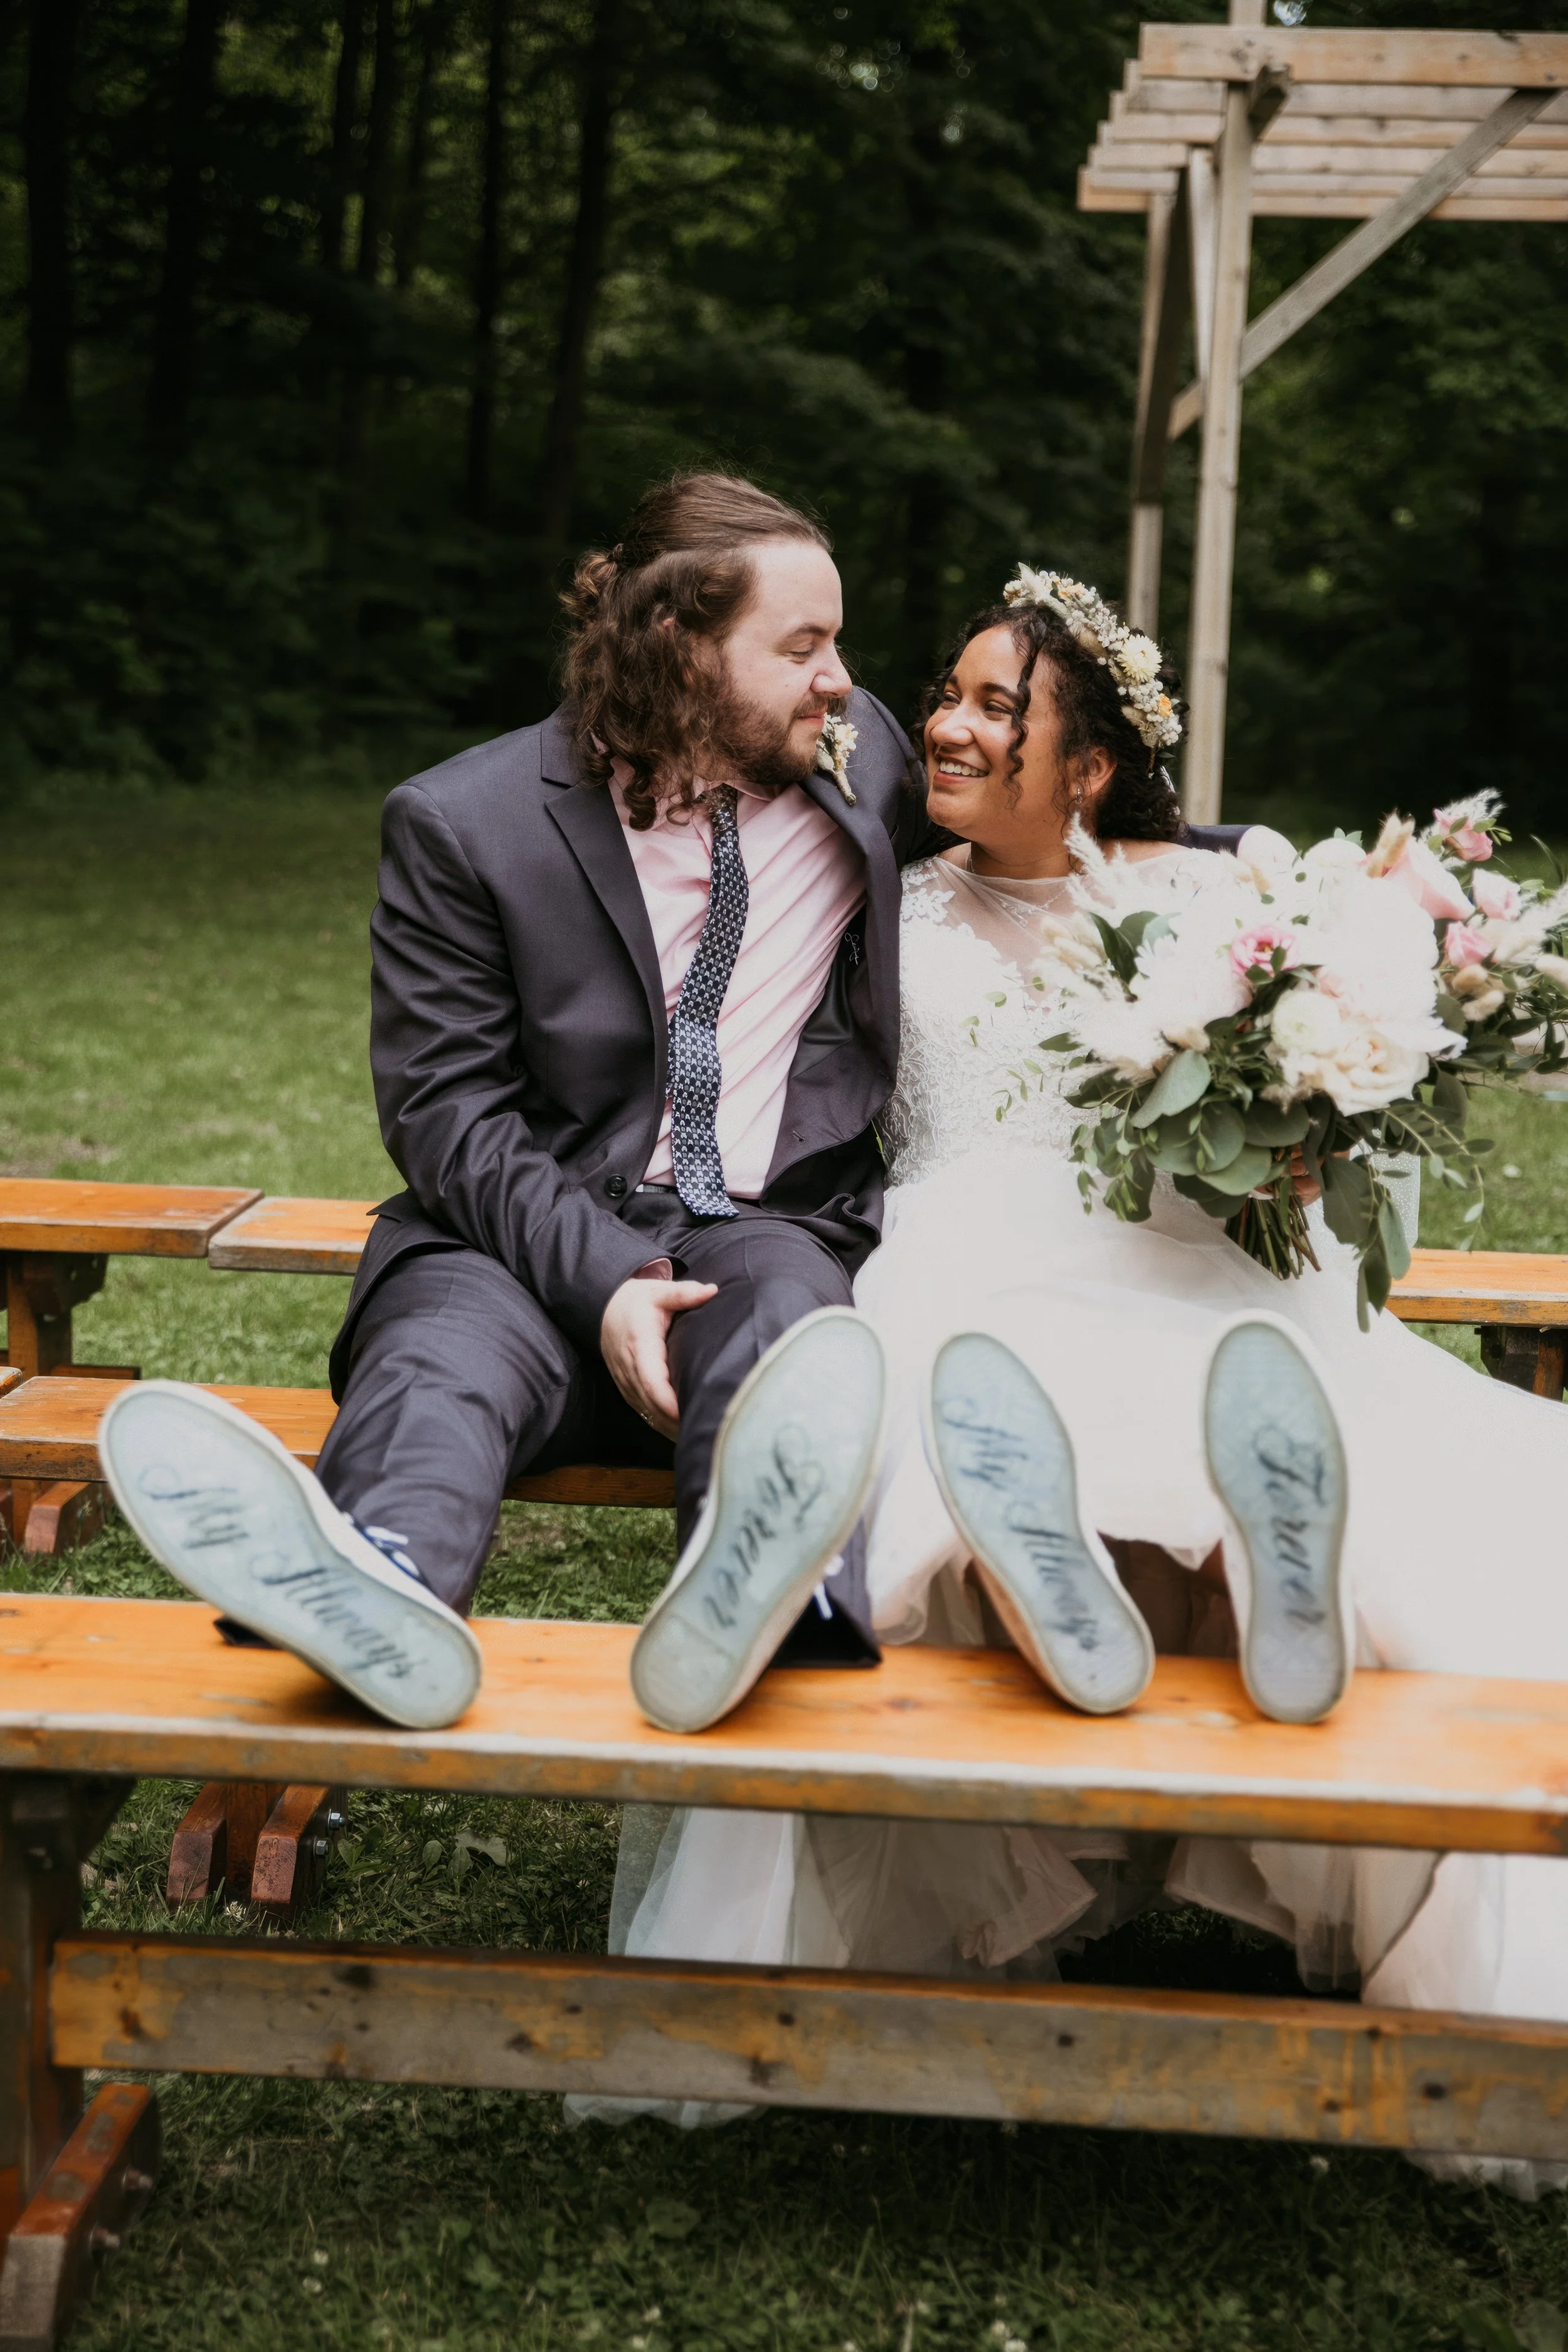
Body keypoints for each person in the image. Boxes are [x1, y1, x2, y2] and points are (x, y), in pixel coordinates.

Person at [593, 570, 1568, 2196]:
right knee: (959, 1380)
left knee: (1347, 1429)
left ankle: (1260, 1563)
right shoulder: (881, 901)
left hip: (1202, 1260)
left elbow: (1334, 1127)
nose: (948, 728)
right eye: (950, 694)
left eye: (993, 704)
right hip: (971, 1253)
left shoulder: (1229, 892)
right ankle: (1084, 1565)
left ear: (1091, 760)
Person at [99, 472, 939, 1734]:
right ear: (680, 647)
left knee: (789, 1342)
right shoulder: (466, 822)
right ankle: (375, 1582)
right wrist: (603, 1279)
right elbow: (446, 1113)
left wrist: (1250, 889)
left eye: (838, 644)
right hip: (514, 1228)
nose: (839, 678)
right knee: (438, 1365)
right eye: (802, 644)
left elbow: (1059, 826)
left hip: (761, 1223)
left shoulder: (856, 759)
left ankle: (769, 1595)